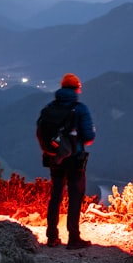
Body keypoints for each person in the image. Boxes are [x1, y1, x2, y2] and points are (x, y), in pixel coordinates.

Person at [45, 73, 96, 249]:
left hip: (55, 158)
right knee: (75, 196)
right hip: (75, 158)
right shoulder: (79, 109)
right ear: (77, 88)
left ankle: (52, 237)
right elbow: (89, 136)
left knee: (55, 196)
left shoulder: (51, 107)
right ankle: (73, 238)